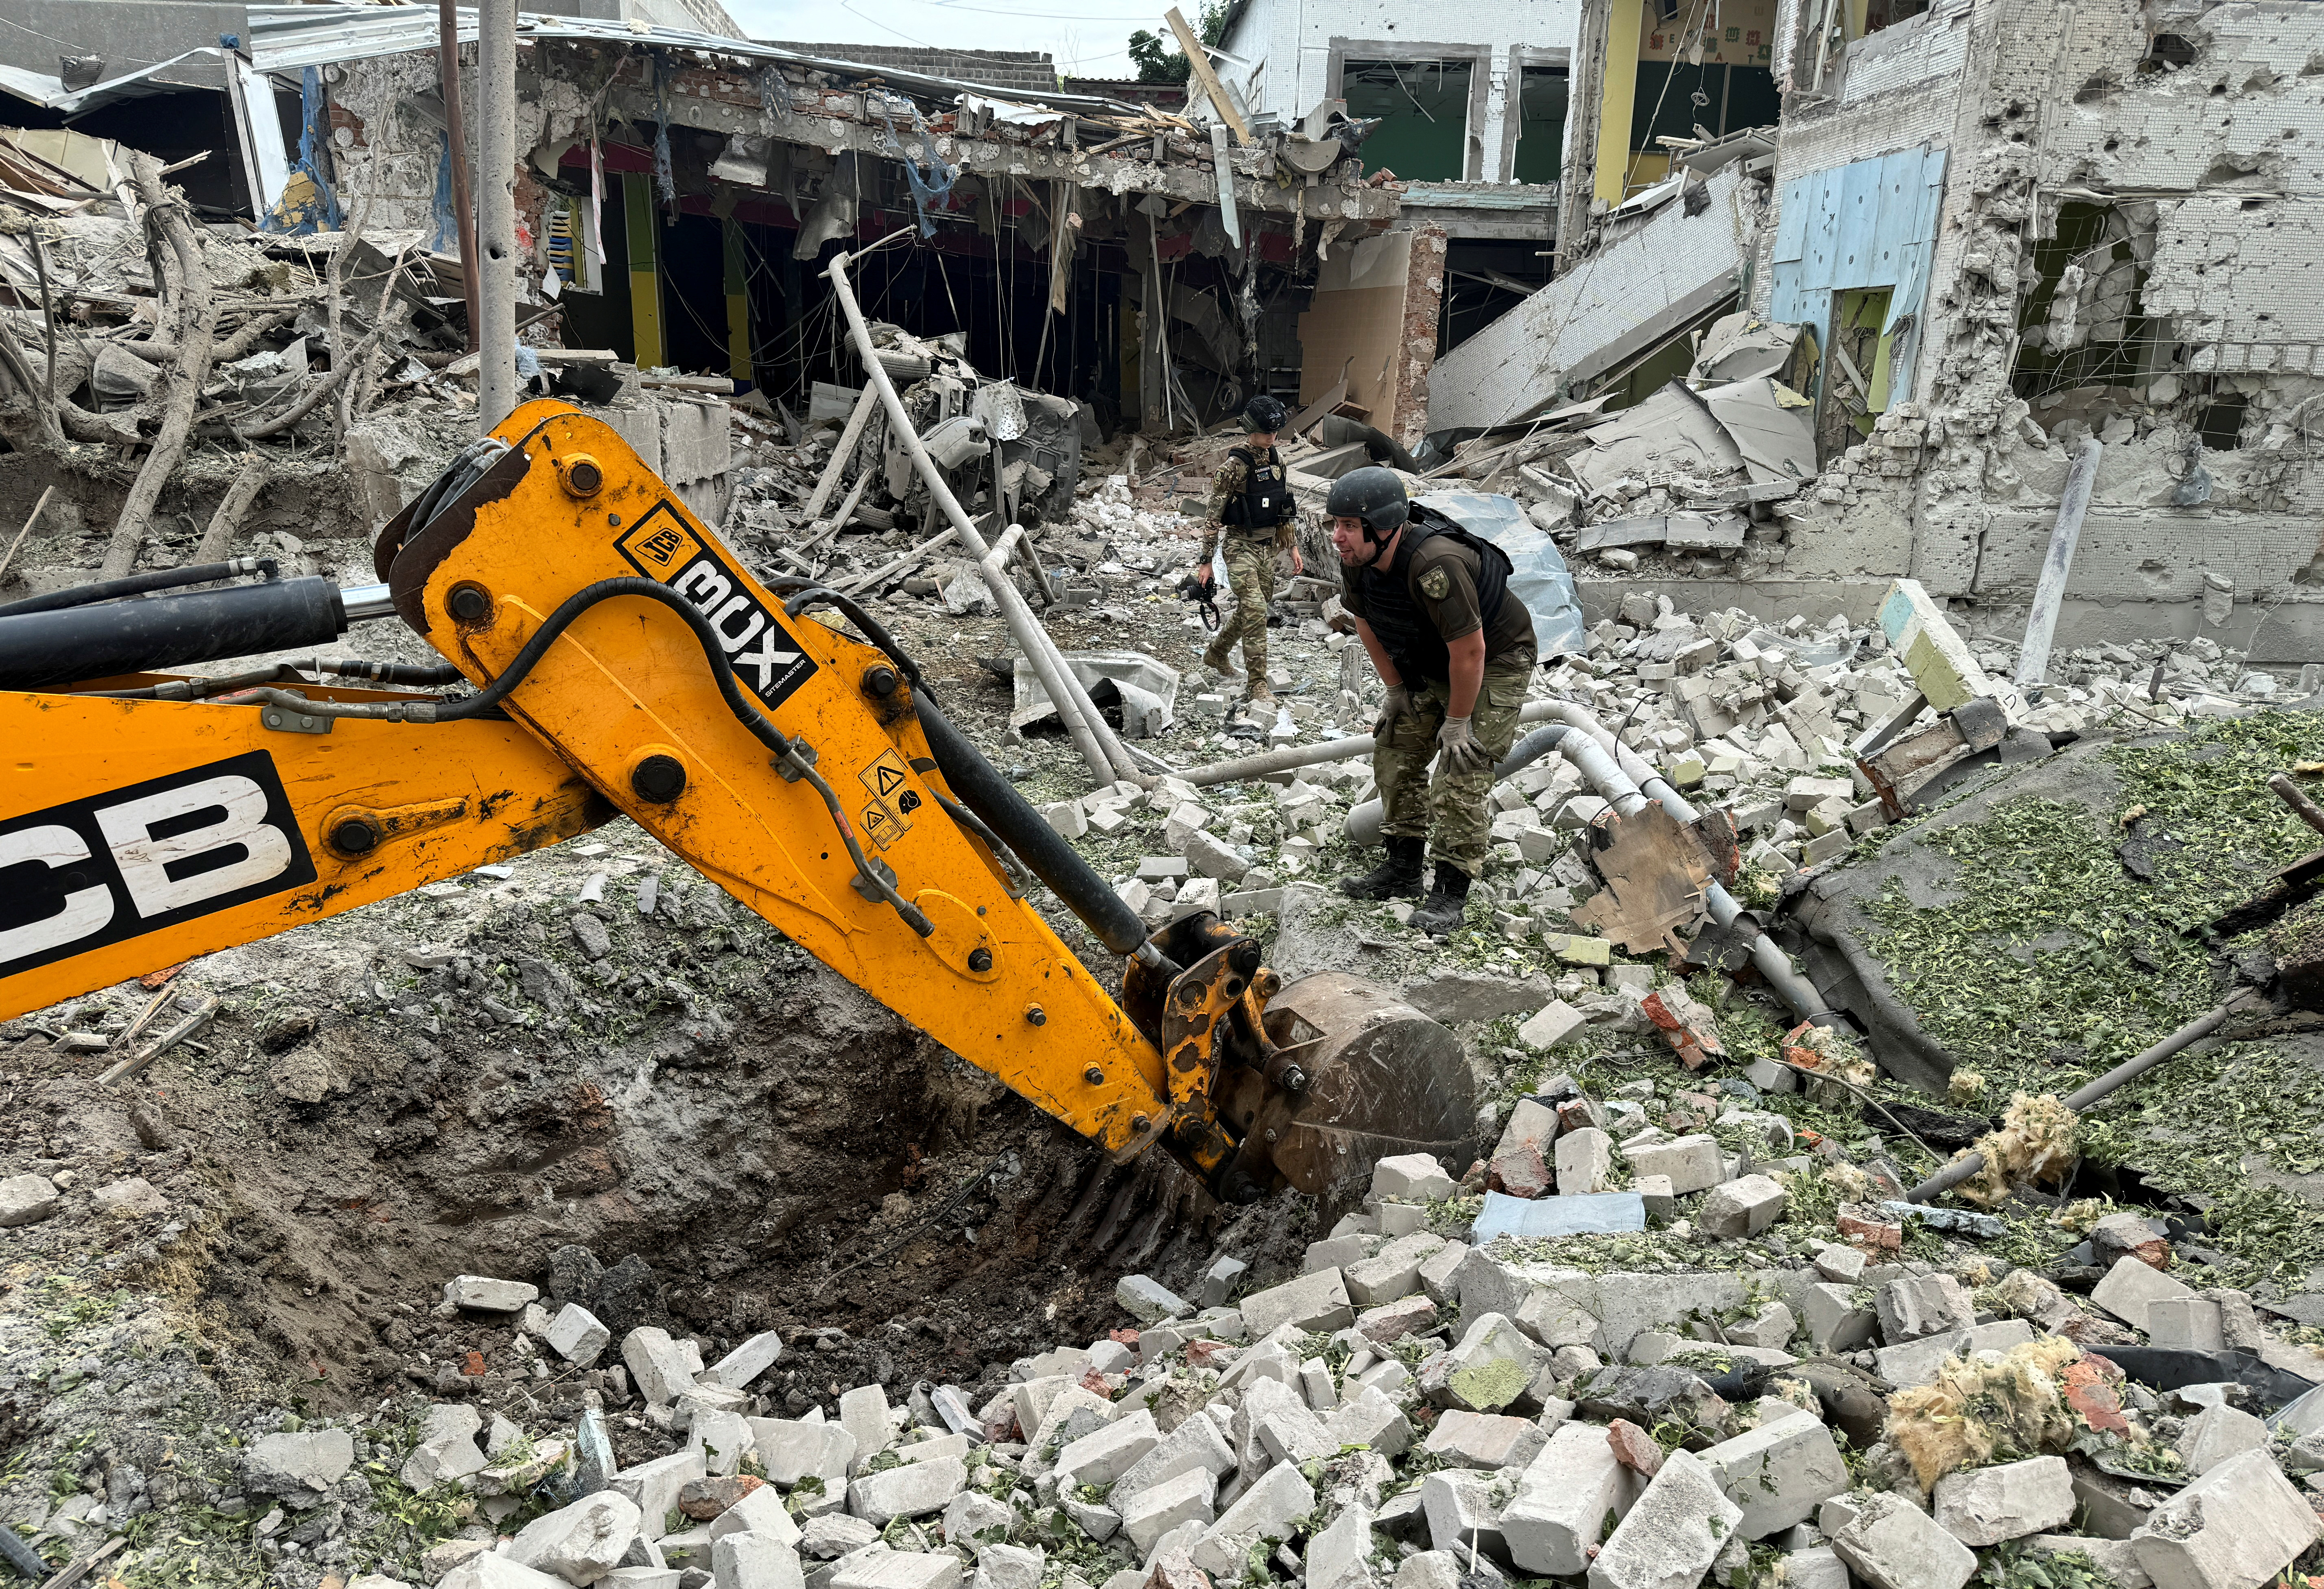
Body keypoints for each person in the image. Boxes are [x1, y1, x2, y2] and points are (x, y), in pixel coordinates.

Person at [1329, 466, 1536, 937]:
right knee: (1394, 749)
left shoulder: (1434, 563)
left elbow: (1471, 650)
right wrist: (1396, 689)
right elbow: (1365, 622)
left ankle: (1449, 892)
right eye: (1334, 524)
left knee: (1461, 769)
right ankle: (1402, 870)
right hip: (1428, 657)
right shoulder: (1358, 560)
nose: (1338, 536)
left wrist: (1458, 721)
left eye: (1348, 525)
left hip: (1496, 659)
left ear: (1383, 528)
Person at [1197, 394, 1302, 709]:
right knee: (1256, 608)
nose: (1271, 439)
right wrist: (1206, 562)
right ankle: (1257, 684)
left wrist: (1293, 546)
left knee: (1251, 608)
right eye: (1266, 433)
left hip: (1268, 547)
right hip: (1240, 546)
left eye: (1275, 433)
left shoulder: (1277, 461)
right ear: (1250, 430)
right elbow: (1213, 516)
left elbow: (1285, 509)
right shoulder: (1234, 467)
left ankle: (1216, 653)